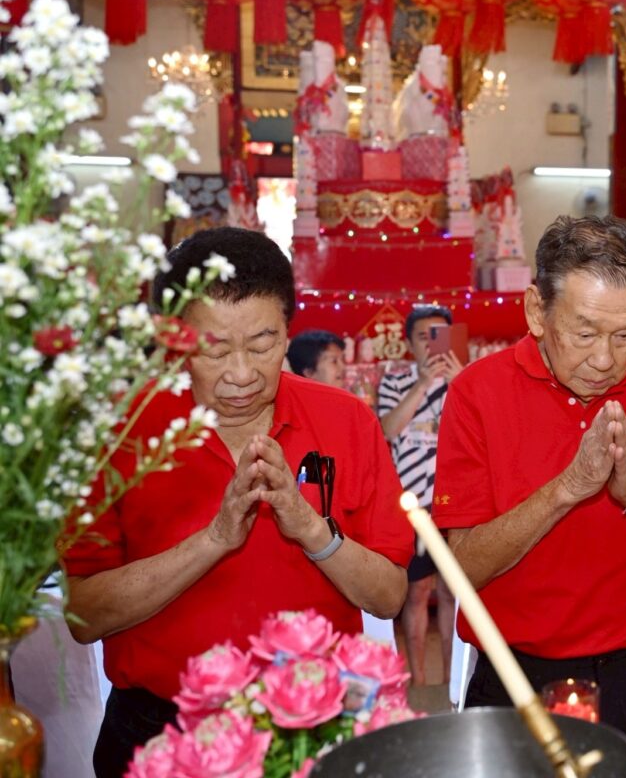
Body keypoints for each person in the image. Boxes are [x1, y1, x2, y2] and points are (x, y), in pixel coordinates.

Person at [63, 227, 414, 777]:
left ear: (288, 330)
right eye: (216, 349)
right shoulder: (121, 430)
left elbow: (389, 596)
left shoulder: (346, 421)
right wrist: (214, 540)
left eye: (262, 344)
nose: (242, 374)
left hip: (309, 727)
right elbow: (84, 615)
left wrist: (310, 528)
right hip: (163, 729)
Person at [432, 215, 626, 759]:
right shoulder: (479, 392)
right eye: (585, 333)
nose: (604, 359)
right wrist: (567, 488)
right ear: (536, 311)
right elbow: (462, 570)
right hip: (518, 678)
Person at [377, 305, 463, 686]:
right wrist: (422, 384)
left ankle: (449, 684)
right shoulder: (395, 382)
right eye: (423, 337)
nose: (431, 344)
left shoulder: (465, 379)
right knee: (415, 594)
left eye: (439, 336)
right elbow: (387, 430)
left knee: (452, 594)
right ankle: (418, 683)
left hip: (456, 503)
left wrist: (460, 381)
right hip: (411, 504)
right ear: (410, 344)